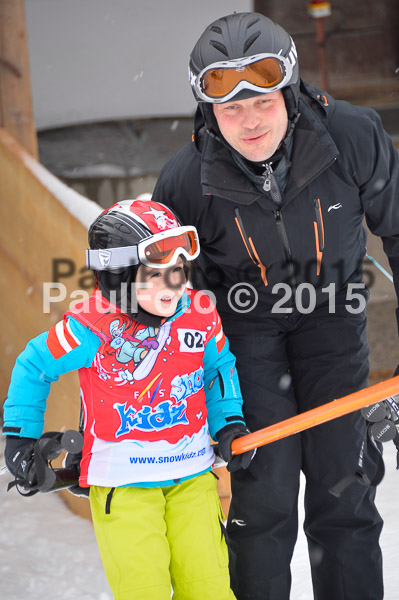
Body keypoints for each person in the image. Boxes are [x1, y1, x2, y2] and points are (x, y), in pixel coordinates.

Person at [151, 11, 399, 600]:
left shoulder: (353, 136)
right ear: (208, 110)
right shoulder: (187, 181)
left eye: (261, 99)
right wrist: (169, 396)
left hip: (333, 318)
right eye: (230, 107)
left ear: (287, 89)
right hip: (245, 336)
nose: (249, 120)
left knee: (346, 489)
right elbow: (162, 300)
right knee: (261, 503)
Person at [3, 198, 255, 600]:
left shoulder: (200, 312)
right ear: (119, 279)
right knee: (145, 591)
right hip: (123, 483)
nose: (173, 285)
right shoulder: (91, 326)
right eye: (156, 274)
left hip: (192, 477)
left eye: (178, 271)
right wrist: (20, 438)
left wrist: (228, 422)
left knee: (209, 587)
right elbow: (34, 366)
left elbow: (218, 366)